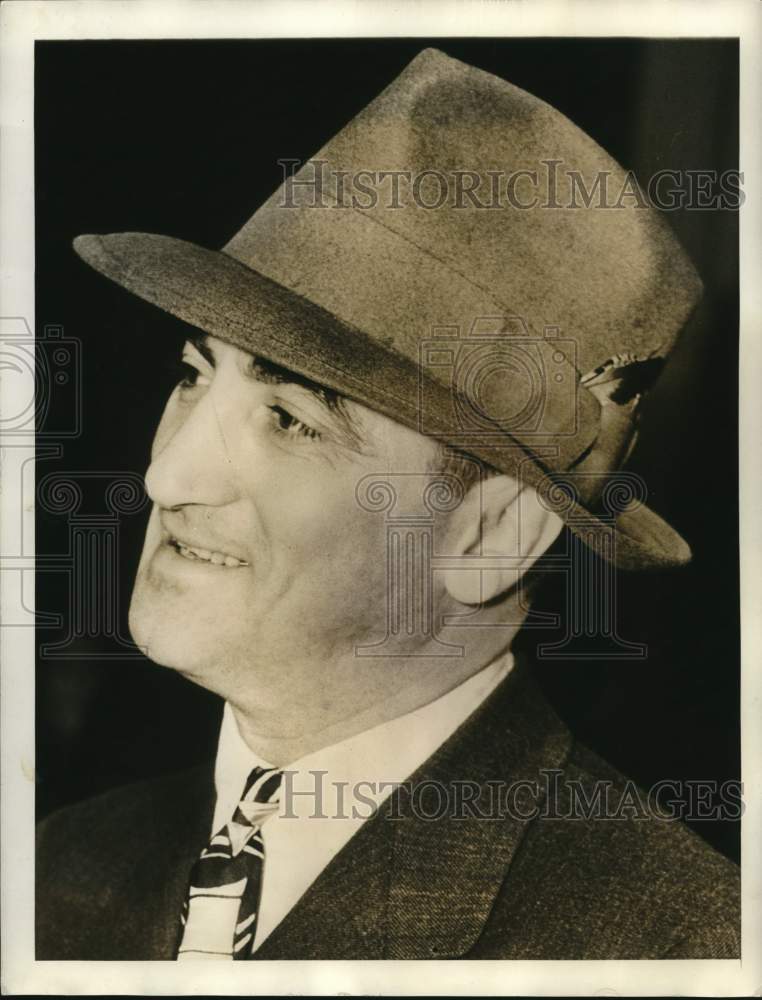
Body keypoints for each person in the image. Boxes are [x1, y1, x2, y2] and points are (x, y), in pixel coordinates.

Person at [36, 47, 739, 960]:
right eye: (191, 374)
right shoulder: (61, 862)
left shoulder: (676, 944)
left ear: (493, 535)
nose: (166, 479)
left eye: (289, 420)